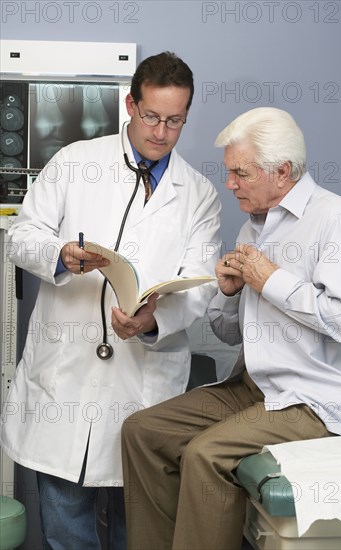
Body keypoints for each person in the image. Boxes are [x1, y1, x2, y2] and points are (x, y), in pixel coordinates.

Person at [0, 52, 221, 549]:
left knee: (136, 535)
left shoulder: (199, 194)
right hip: (68, 377)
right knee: (65, 532)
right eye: (151, 117)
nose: (161, 132)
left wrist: (150, 321)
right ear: (130, 105)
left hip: (143, 385)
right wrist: (61, 255)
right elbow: (20, 236)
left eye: (175, 121)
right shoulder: (77, 162)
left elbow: (202, 285)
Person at [121, 107, 341, 550]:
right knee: (143, 431)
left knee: (206, 454)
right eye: (229, 172)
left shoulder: (335, 219)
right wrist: (231, 293)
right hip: (254, 386)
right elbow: (230, 335)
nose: (230, 184)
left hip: (313, 399)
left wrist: (272, 281)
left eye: (240, 173)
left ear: (283, 171)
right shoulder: (254, 229)